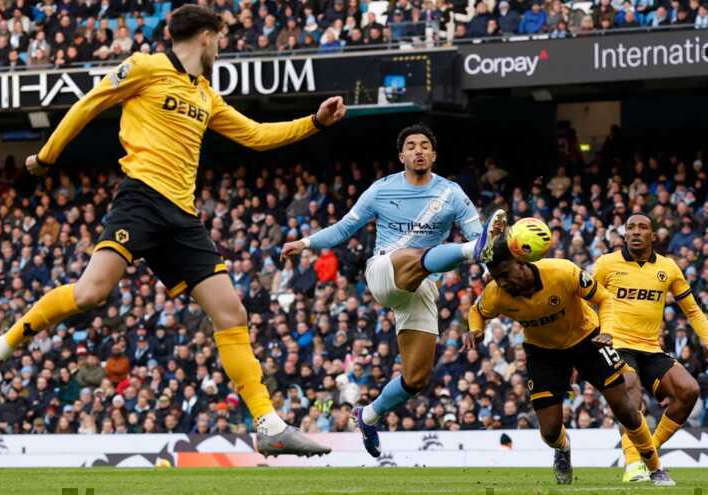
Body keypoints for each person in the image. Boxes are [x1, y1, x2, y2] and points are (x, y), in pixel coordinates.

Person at [0, 4, 346, 458]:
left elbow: (256, 135)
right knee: (90, 294)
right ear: (206, 35)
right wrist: (46, 156)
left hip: (183, 219)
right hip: (141, 200)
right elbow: (89, 104)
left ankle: (269, 425)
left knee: (231, 314)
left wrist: (315, 123)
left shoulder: (205, 94)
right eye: (220, 40)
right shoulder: (145, 67)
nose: (221, 49)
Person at [281, 123, 507, 457]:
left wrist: (489, 269)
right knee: (415, 255)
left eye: (424, 145)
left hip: (421, 286)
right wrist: (304, 242)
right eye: (411, 146)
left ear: (434, 154)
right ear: (401, 156)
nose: (418, 150)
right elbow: (344, 228)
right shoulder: (380, 190)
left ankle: (369, 415)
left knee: (416, 378)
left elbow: (480, 235)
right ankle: (464, 253)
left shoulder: (451, 193)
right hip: (385, 271)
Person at [464, 240, 675, 486]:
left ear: (520, 263)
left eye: (505, 274)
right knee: (549, 431)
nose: (502, 282)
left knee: (625, 408)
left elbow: (605, 298)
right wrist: (476, 330)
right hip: (543, 354)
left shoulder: (562, 272)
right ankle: (563, 448)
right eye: (496, 277)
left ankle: (655, 468)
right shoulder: (496, 294)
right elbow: (477, 311)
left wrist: (607, 331)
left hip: (587, 340)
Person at [593, 214, 707, 482]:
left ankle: (649, 453)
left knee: (689, 390)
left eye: (642, 227)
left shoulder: (668, 268)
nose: (635, 232)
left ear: (653, 236)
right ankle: (633, 464)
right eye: (630, 227)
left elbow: (692, 310)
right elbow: (583, 300)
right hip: (616, 344)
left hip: (651, 348)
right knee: (630, 386)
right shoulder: (606, 264)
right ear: (625, 235)